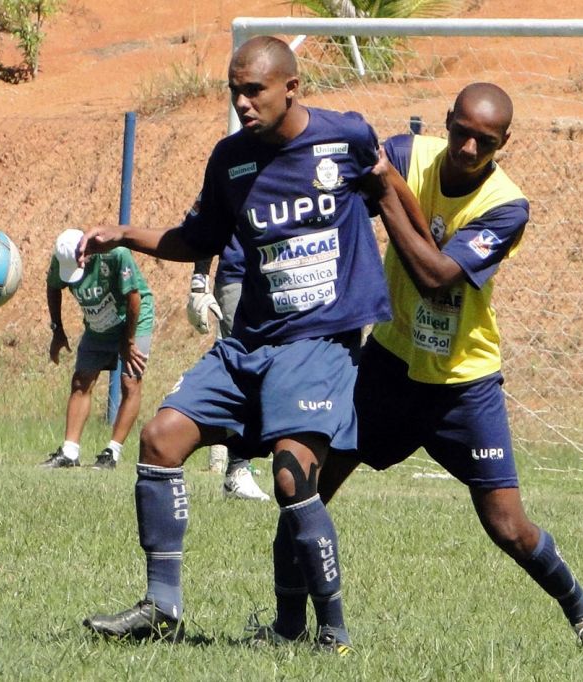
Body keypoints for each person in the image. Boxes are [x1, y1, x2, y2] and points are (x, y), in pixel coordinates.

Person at [264, 83, 583, 654]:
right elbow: (339, 186)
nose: (467, 147)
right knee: (302, 490)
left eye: (484, 141)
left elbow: (435, 274)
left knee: (508, 525)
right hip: (388, 364)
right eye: (461, 131)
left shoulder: (508, 207)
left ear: (504, 143)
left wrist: (385, 195)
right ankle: (287, 628)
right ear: (447, 121)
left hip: (463, 383)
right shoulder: (408, 155)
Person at [78, 35, 391, 654]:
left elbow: (391, 190)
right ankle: (162, 605)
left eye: (255, 91)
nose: (244, 103)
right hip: (249, 341)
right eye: (235, 91)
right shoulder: (230, 160)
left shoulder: (347, 139)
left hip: (319, 342)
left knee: (290, 480)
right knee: (161, 438)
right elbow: (198, 237)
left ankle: (333, 633)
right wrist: (125, 235)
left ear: (291, 88)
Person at [40, 228, 154, 470]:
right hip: (98, 322)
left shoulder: (116, 255)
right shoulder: (62, 260)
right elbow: (53, 287)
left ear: (87, 250)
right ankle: (69, 453)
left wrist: (129, 340)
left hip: (133, 318)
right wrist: (57, 330)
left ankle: (112, 452)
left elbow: (134, 298)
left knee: (130, 381)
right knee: (81, 380)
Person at [187, 244, 270, 502]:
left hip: (284, 277)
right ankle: (236, 469)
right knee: (246, 365)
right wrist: (199, 283)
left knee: (277, 367)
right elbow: (208, 226)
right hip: (238, 276)